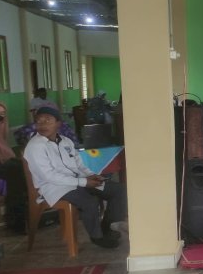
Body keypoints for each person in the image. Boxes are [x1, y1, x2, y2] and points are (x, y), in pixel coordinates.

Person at [23, 107, 127, 249]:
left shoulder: (66, 142)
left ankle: (107, 227)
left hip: (77, 181)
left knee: (119, 190)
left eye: (47, 120)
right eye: (38, 122)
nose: (42, 124)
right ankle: (97, 237)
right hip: (55, 187)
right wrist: (84, 182)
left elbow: (79, 166)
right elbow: (49, 176)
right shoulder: (35, 146)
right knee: (89, 201)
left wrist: (91, 175)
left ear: (58, 123)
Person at [0, 100, 27, 232]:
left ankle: (16, 218)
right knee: (16, 169)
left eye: (2, 113)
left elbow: (0, 151)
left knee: (18, 166)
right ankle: (16, 220)